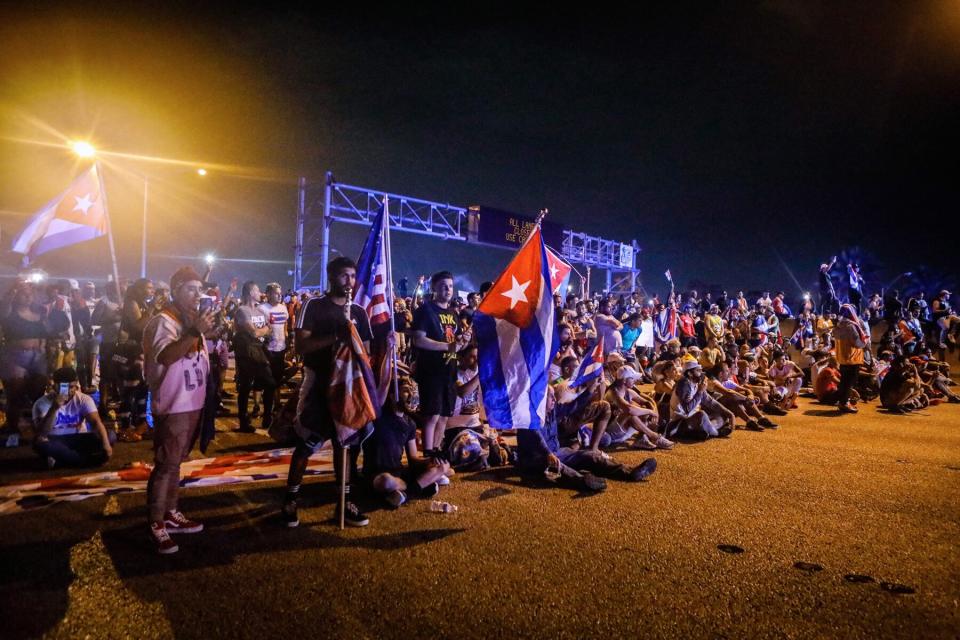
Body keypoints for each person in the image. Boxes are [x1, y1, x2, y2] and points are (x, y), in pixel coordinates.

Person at [282, 257, 373, 529]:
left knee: (345, 445)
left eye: (353, 276)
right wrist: (337, 337)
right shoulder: (314, 305)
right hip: (319, 383)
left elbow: (365, 349)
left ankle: (343, 504)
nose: (349, 281)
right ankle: (290, 499)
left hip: (347, 386)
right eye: (344, 276)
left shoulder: (358, 311)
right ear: (331, 277)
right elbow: (301, 346)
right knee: (307, 442)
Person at [142, 266, 214, 554]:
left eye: (200, 289)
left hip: (192, 400)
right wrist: (196, 331)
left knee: (176, 461)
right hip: (174, 403)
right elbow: (168, 355)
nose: (198, 295)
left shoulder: (189, 319)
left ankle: (171, 513)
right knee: (166, 463)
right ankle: (155, 523)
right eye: (190, 289)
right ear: (175, 291)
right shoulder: (164, 321)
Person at [412, 271, 471, 459]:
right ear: (434, 287)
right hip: (431, 370)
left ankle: (436, 451)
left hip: (449, 370)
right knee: (432, 414)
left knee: (445, 414)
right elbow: (418, 340)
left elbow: (458, 344)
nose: (448, 289)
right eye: (444, 285)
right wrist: (448, 345)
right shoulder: (426, 310)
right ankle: (428, 454)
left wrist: (465, 341)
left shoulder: (453, 314)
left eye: (451, 286)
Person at [364, 381, 448, 508]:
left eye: (412, 390)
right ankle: (417, 487)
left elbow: (413, 459)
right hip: (377, 474)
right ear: (392, 396)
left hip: (399, 472)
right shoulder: (378, 417)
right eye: (405, 390)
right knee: (386, 481)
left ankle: (406, 494)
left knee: (444, 467)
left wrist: (431, 460)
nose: (411, 395)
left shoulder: (410, 423)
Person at [32, 366, 114, 468]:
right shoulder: (41, 403)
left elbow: (96, 423)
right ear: (55, 386)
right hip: (55, 440)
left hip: (79, 439)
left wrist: (106, 444)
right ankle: (86, 461)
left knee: (110, 435)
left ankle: (62, 460)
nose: (69, 391)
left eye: (72, 387)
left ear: (76, 386)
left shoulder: (84, 399)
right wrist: (54, 408)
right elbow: (42, 433)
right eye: (65, 387)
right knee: (40, 443)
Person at [1, 282, 50, 434]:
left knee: (38, 394)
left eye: (30, 294)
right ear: (16, 295)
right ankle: (13, 430)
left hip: (37, 357)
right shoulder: (9, 312)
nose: (28, 296)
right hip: (15, 356)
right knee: (15, 396)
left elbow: (45, 333)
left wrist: (43, 347)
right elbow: (4, 307)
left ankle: (38, 429)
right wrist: (15, 288)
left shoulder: (39, 313)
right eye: (24, 293)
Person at [233, 281, 276, 432]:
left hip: (258, 350)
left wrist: (263, 331)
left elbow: (268, 330)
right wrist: (263, 330)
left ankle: (267, 416)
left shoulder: (259, 312)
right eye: (258, 291)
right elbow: (254, 332)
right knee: (245, 386)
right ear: (251, 293)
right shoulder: (242, 311)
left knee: (270, 383)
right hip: (246, 352)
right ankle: (244, 421)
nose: (260, 294)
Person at [667, 359, 734, 440]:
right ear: (690, 373)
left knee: (722, 415)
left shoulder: (697, 383)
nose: (701, 373)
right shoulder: (684, 384)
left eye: (701, 370)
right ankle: (716, 433)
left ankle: (702, 432)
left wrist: (729, 413)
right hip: (680, 421)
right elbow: (687, 409)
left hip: (693, 420)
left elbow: (710, 402)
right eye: (698, 370)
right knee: (701, 415)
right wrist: (700, 391)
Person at [259, 281, 290, 410]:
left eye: (280, 293)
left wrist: (286, 337)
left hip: (280, 349)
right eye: (276, 293)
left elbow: (285, 324)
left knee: (277, 379)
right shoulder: (262, 309)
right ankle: (267, 410)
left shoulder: (283, 308)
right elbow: (258, 329)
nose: (279, 296)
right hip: (268, 350)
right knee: (268, 382)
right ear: (268, 294)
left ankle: (275, 404)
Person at [834, 304, 869, 414]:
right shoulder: (851, 326)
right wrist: (865, 342)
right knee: (849, 382)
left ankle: (843, 402)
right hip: (852, 358)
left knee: (844, 381)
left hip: (843, 358)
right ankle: (845, 403)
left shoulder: (838, 325)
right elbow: (857, 342)